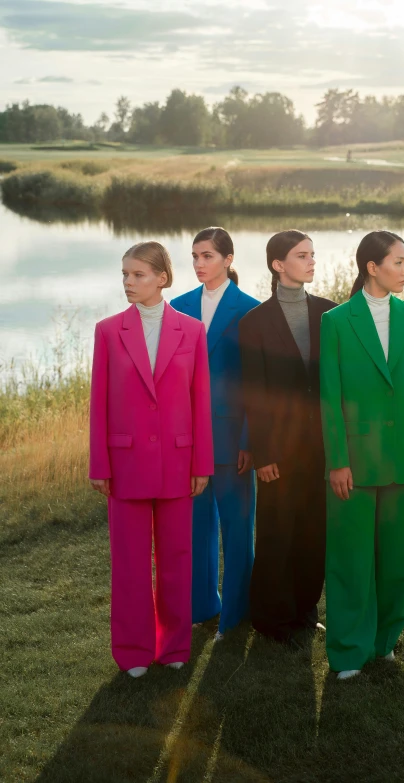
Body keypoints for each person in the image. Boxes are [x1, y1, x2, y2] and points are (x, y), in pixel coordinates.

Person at [89, 241, 213, 678]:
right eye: (125, 274)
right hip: (125, 466)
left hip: (180, 464)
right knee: (130, 563)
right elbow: (98, 404)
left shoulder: (192, 331)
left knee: (178, 558)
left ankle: (174, 644)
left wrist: (202, 464)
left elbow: (201, 401)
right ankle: (133, 650)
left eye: (138, 274)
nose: (128, 282)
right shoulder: (107, 331)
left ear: (162, 278)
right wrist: (99, 465)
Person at [320, 230, 404, 680]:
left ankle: (384, 641)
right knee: (351, 560)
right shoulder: (336, 321)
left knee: (396, 559)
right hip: (353, 460)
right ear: (372, 267)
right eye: (399, 262)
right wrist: (337, 461)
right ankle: (349, 649)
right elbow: (330, 398)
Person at [239, 229, 337, 647]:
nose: (312, 261)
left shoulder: (331, 314)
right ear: (279, 265)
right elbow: (254, 394)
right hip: (277, 449)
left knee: (315, 532)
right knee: (278, 531)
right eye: (302, 255)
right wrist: (264, 454)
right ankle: (271, 619)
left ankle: (304, 610)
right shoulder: (255, 322)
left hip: (322, 446)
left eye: (313, 254)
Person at [170, 228, 259, 640]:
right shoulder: (179, 306)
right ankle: (203, 605)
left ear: (227, 258)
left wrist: (247, 441)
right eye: (194, 256)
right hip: (188, 440)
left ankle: (235, 614)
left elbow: (255, 384)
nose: (199, 264)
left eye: (207, 255)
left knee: (237, 529)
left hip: (231, 439)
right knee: (196, 527)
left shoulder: (251, 310)